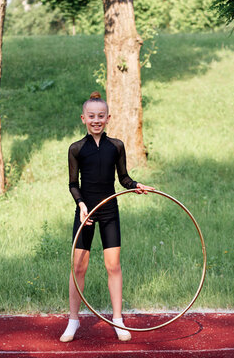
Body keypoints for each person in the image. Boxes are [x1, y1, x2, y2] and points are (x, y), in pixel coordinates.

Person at [60, 91, 155, 342]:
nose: (96, 120)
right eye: (91, 116)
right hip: (86, 213)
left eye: (101, 116)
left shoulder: (116, 146)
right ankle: (73, 320)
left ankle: (117, 319)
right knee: (78, 267)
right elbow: (72, 183)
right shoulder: (76, 149)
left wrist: (135, 185)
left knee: (113, 265)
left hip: (110, 210)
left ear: (108, 118)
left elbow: (123, 178)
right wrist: (80, 204)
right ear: (83, 118)